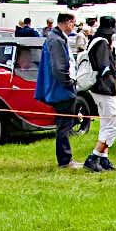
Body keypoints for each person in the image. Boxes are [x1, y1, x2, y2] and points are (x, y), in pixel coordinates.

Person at [35, 12, 83, 170]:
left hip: (60, 87)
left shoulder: (56, 37)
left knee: (64, 124)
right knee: (64, 125)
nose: (74, 26)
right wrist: (68, 83)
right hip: (60, 88)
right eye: (73, 23)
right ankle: (65, 160)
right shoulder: (56, 39)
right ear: (68, 22)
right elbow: (59, 66)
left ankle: (65, 159)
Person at [83, 17, 116, 173]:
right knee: (114, 126)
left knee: (106, 124)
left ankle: (104, 159)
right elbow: (104, 67)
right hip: (104, 88)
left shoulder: (94, 41)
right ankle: (93, 157)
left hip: (99, 89)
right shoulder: (102, 44)